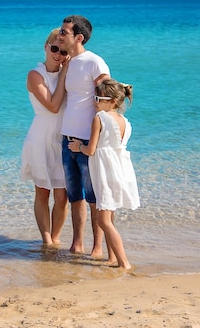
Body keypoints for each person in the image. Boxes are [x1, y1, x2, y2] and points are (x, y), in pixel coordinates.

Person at [68, 79, 140, 269]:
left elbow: (91, 150)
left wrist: (78, 146)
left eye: (98, 98)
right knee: (109, 216)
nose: (95, 102)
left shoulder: (99, 118)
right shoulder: (125, 121)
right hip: (121, 170)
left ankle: (124, 263)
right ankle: (112, 258)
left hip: (106, 172)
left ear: (112, 102)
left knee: (103, 220)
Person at [57, 15, 110, 256]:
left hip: (89, 141)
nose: (59, 35)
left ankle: (97, 248)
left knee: (94, 197)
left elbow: (109, 99)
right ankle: (76, 244)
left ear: (79, 37)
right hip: (67, 139)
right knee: (74, 196)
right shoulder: (69, 63)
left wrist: (99, 137)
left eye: (64, 32)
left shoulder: (95, 62)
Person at [20, 28, 70, 246]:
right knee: (42, 192)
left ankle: (56, 238)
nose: (57, 54)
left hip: (63, 138)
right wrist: (64, 75)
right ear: (46, 47)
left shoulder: (69, 72)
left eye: (63, 51)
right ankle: (47, 240)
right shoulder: (35, 74)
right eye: (54, 48)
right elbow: (52, 105)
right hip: (41, 137)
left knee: (62, 197)